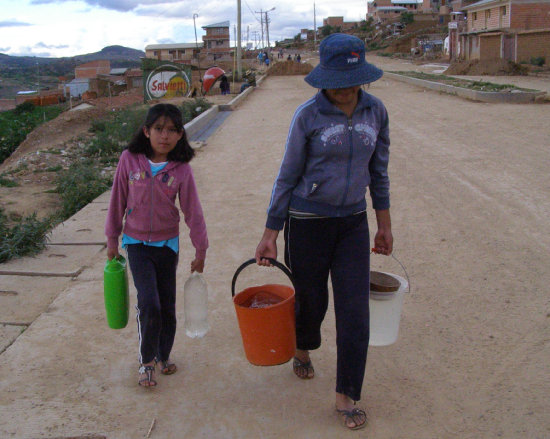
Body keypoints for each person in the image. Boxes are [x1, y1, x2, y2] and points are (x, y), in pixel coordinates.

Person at [255, 33, 392, 430]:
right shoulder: (308, 116)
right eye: (338, 80)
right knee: (312, 302)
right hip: (308, 223)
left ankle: (346, 393)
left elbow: (378, 172)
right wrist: (271, 232)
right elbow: (287, 176)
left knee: (355, 311)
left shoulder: (376, 112)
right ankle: (303, 348)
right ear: (324, 78)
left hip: (352, 223)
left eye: (353, 79)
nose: (346, 89)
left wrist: (383, 224)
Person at [105, 103, 208, 388]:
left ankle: (164, 354)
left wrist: (201, 249)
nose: (165, 136)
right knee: (148, 303)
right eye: (159, 129)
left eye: (172, 130)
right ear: (146, 131)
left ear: (180, 136)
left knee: (166, 306)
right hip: (136, 244)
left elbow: (193, 211)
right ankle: (146, 361)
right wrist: (112, 238)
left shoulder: (182, 169)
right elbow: (117, 200)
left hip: (167, 246)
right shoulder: (130, 159)